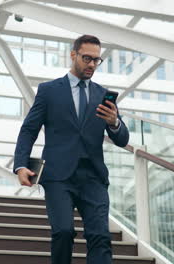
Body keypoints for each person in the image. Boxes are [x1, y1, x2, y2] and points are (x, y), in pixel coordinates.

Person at [13, 35, 129, 264]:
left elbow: (123, 139)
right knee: (63, 232)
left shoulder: (102, 95)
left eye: (97, 60)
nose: (92, 65)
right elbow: (29, 130)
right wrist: (20, 165)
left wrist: (114, 122)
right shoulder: (49, 91)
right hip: (58, 176)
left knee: (100, 237)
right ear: (73, 55)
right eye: (87, 58)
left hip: (93, 177)